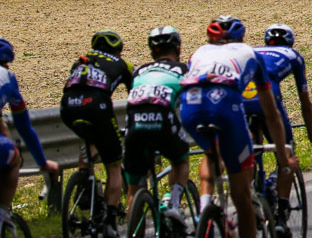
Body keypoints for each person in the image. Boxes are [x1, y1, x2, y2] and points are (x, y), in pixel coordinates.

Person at [181, 16, 297, 238]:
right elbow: (271, 115)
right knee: (241, 192)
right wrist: (283, 159)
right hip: (225, 104)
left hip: (189, 106)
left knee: (211, 153)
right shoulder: (250, 54)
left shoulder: (198, 53)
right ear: (241, 38)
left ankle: (204, 208)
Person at [246, 24, 312, 234]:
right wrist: (311, 133)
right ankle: (281, 212)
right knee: (287, 152)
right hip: (267, 97)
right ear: (290, 41)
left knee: (251, 150)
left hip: (240, 99)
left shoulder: (251, 51)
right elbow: (304, 101)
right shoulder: (293, 55)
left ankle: (253, 189)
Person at [60, 30, 134, 237]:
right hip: (97, 108)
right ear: (118, 49)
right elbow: (135, 95)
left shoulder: (80, 62)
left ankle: (83, 181)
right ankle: (109, 221)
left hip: (68, 108)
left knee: (89, 139)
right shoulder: (122, 64)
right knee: (114, 165)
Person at [124, 27, 190, 228]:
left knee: (134, 191)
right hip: (162, 122)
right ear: (178, 49)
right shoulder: (183, 69)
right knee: (180, 160)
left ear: (152, 51)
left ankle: (134, 227)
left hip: (134, 126)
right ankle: (173, 199)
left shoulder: (139, 71)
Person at [0, 38, 59, 234]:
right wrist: (42, 163)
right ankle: (2, 214)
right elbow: (23, 126)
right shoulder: (6, 77)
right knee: (14, 157)